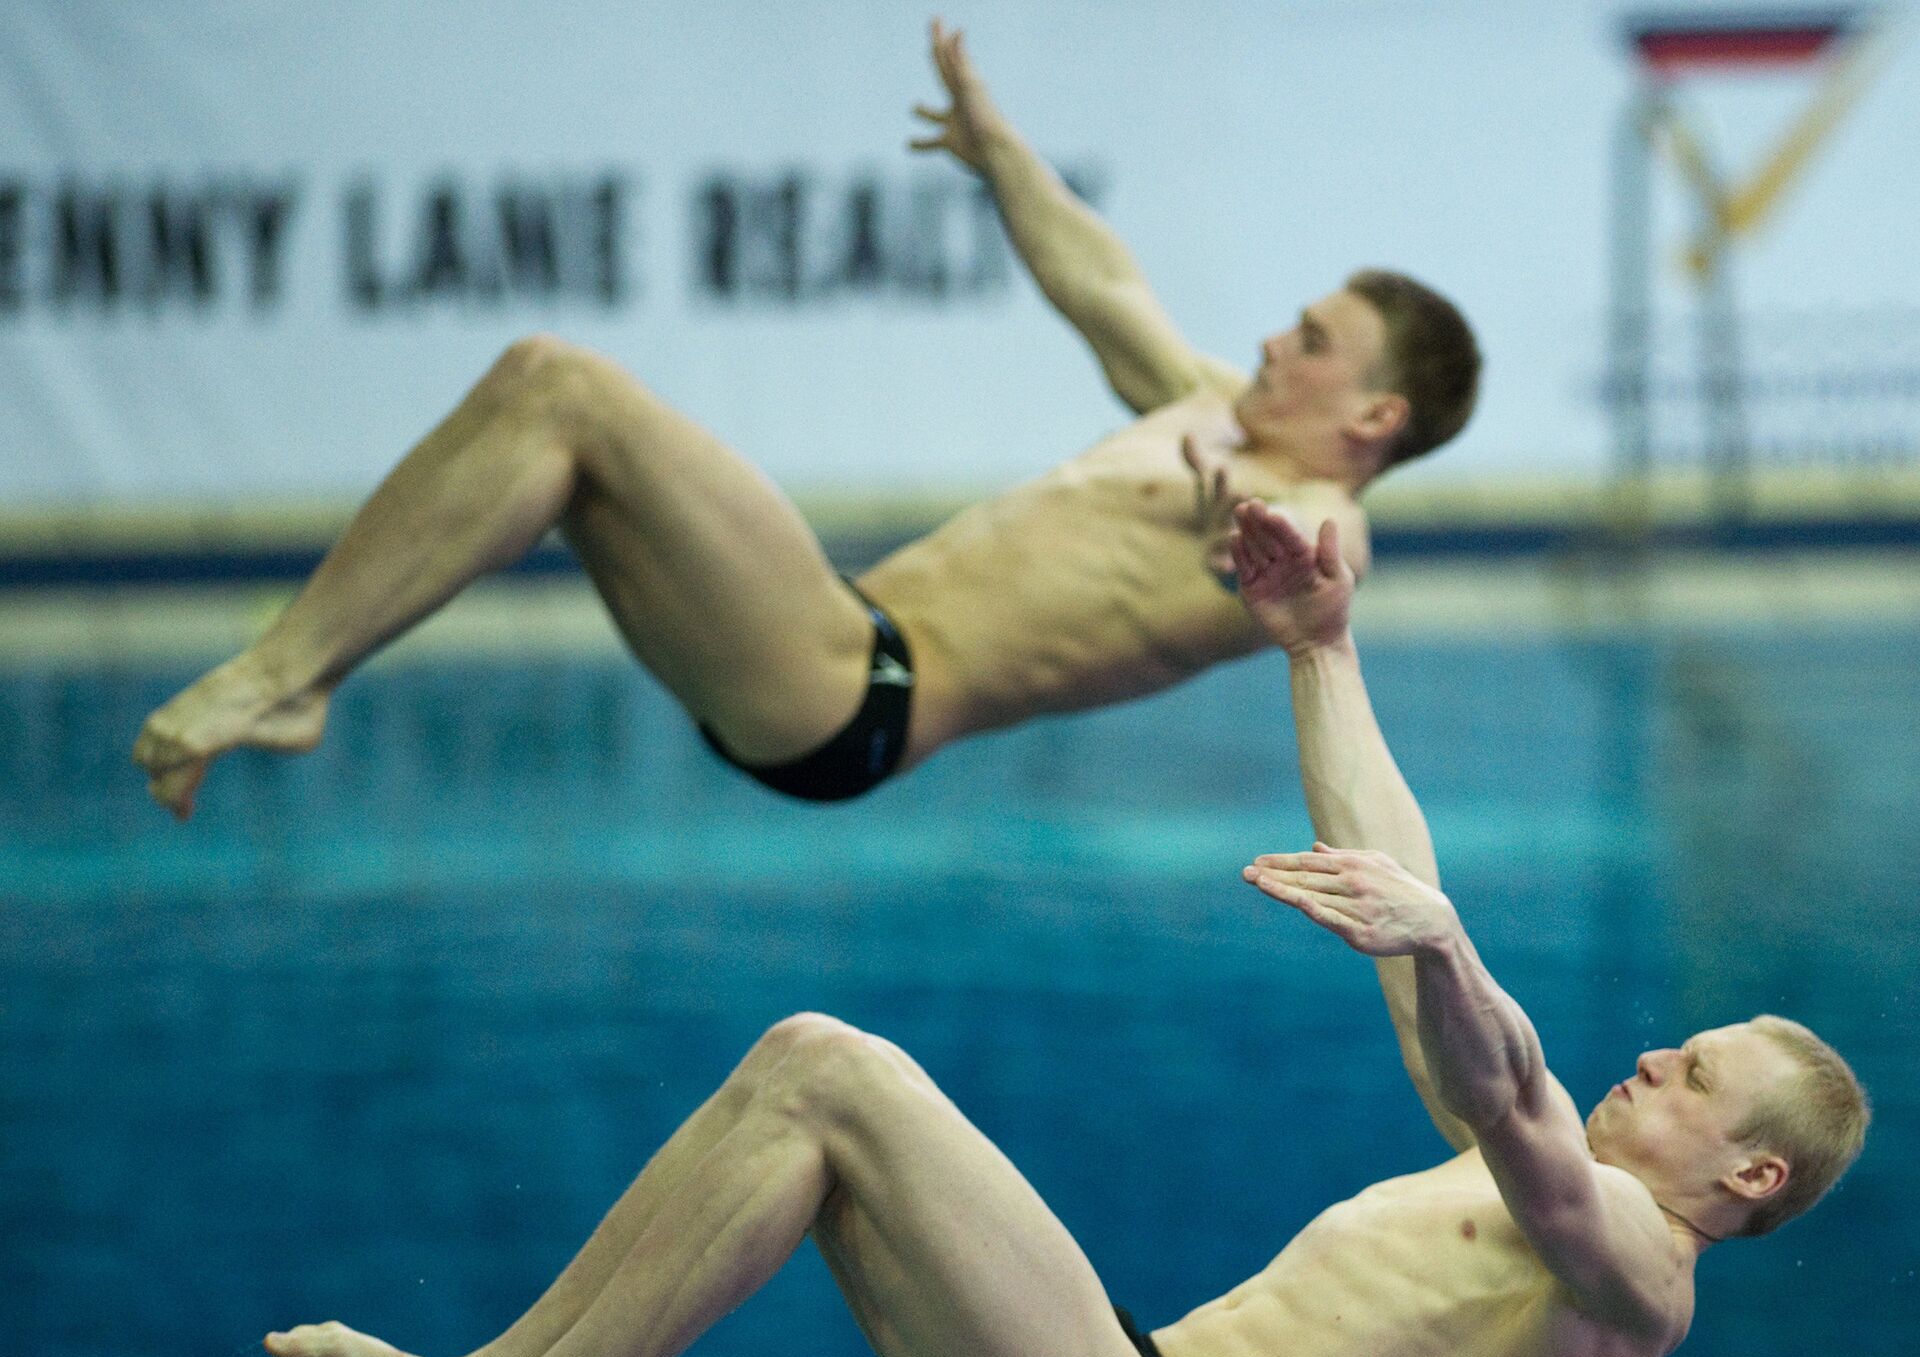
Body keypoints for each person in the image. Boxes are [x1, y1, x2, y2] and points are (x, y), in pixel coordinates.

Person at [261, 503, 1867, 1357]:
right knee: (799, 1094)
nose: (1655, 1054)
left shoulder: (1642, 1276)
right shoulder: (1537, 1193)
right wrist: (1320, 645)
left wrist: (1445, 938)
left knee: (836, 1068)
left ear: (1752, 1168)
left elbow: (1510, 1087)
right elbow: (1414, 916)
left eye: (1698, 1069)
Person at [132, 19, 1479, 819]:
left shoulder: (1326, 525)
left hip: (857, 694)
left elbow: (1298, 571)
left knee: (562, 384)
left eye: (1309, 341)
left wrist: (1225, 512)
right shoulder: (1202, 404)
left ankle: (287, 674)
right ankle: (303, 669)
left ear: (1376, 411)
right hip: (824, 647)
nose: (1268, 342)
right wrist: (1002, 151)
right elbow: (1099, 279)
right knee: (556, 441)